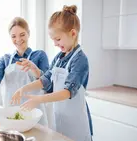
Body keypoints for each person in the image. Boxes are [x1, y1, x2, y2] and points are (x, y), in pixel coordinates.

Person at [11, 5, 93, 141]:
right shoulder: (59, 58)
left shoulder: (80, 60)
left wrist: (38, 99)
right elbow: (45, 80)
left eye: (58, 39)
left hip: (77, 125)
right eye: (53, 39)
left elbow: (67, 92)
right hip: (60, 121)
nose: (55, 43)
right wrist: (23, 89)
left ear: (73, 33)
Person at [0, 17, 50, 126]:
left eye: (22, 35)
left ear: (28, 34)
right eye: (13, 36)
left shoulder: (40, 55)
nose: (18, 39)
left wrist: (34, 68)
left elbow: (47, 85)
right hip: (11, 114)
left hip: (34, 114)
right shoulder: (6, 59)